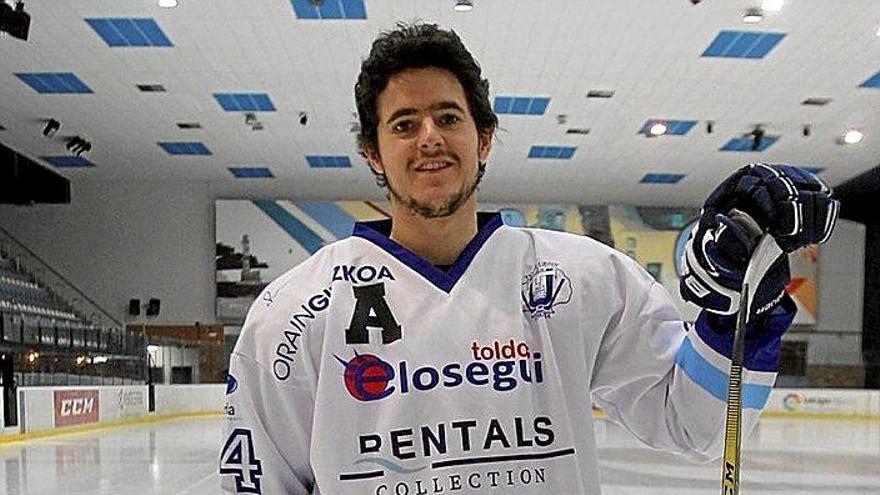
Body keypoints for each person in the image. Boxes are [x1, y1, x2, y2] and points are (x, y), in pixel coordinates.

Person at [219, 23, 839, 495]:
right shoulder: (295, 313)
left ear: (483, 138)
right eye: (403, 124)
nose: (429, 136)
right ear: (373, 153)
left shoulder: (583, 278)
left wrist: (740, 308)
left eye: (448, 117)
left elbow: (695, 426)